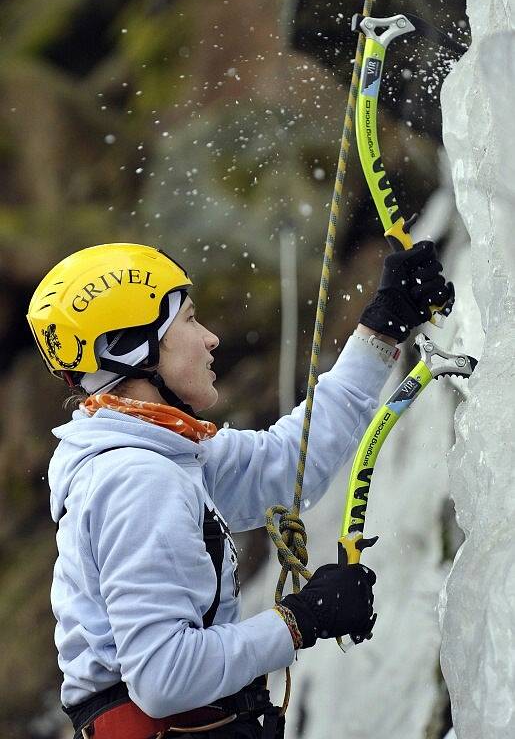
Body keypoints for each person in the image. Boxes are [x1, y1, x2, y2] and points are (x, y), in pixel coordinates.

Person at [27, 241, 453, 739]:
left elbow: (285, 465)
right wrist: (299, 621)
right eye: (188, 320)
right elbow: (164, 677)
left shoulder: (163, 455)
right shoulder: (138, 479)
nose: (210, 338)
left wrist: (381, 329)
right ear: (129, 348)